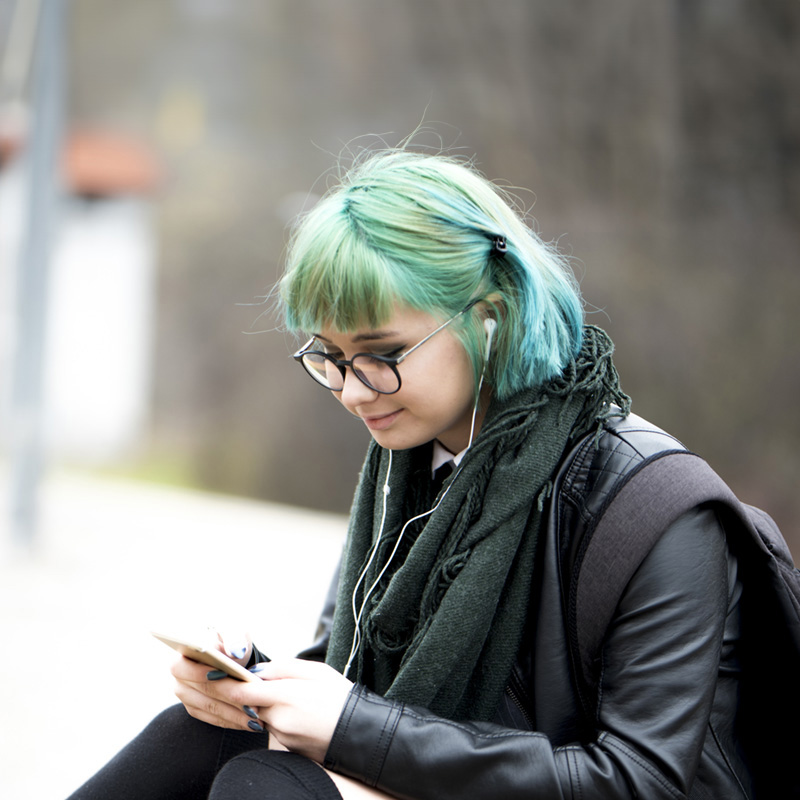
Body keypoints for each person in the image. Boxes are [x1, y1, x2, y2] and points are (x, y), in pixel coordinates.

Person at [66, 147, 754, 799]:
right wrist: (249, 680)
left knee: (268, 787)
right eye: (329, 355)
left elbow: (641, 782)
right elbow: (353, 677)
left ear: (491, 318)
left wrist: (354, 726)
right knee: (199, 736)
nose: (353, 391)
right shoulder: (405, 469)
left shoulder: (658, 509)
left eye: (382, 353)